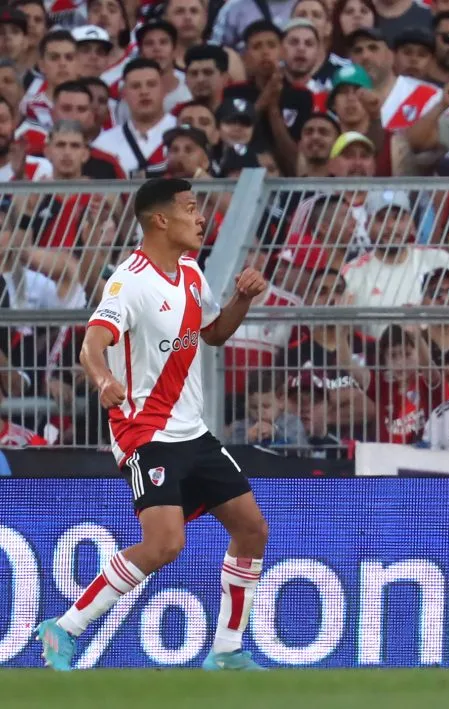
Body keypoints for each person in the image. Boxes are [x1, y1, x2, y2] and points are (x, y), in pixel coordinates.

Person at [35, 178, 271, 672]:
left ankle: (227, 652)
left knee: (252, 529)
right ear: (161, 220)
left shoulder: (189, 271)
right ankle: (66, 627)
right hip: (144, 433)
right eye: (190, 208)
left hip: (192, 431)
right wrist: (103, 382)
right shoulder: (129, 282)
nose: (201, 217)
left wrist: (242, 299)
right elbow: (91, 345)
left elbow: (215, 334)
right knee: (165, 544)